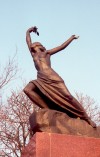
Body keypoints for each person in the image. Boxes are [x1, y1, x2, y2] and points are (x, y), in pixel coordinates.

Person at [23, 26, 96, 128]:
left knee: (68, 97)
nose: (32, 46)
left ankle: (86, 117)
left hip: (53, 77)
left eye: (35, 44)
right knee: (28, 89)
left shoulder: (47, 53)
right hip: (41, 78)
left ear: (39, 46)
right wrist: (29, 31)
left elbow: (61, 46)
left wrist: (71, 38)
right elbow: (28, 41)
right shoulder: (33, 54)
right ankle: (48, 109)